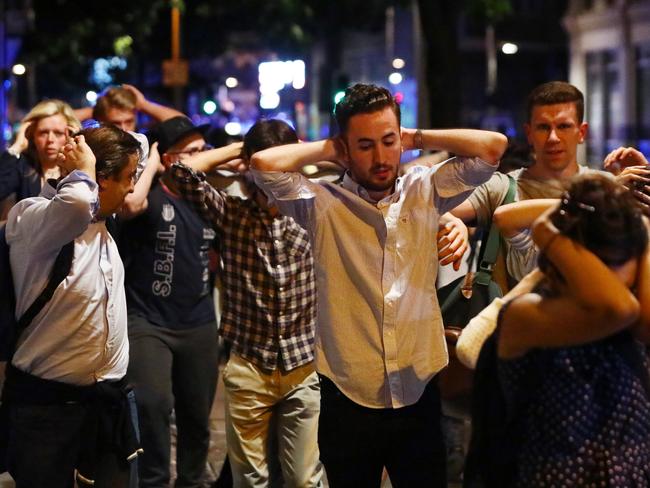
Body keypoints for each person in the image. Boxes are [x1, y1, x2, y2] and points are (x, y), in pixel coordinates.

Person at [249, 83, 508, 487]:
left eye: (389, 141)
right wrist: (329, 148)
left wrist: (417, 138)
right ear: (346, 149)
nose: (381, 156)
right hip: (348, 390)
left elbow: (492, 146)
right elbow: (263, 164)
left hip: (418, 385)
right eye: (365, 145)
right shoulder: (321, 203)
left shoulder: (426, 188)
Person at [466, 173, 650, 487]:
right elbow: (618, 308)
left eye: (622, 261)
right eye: (602, 264)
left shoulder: (634, 319)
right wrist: (545, 231)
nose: (613, 277)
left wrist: (628, 216)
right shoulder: (526, 316)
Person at [170, 119, 323, 488]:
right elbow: (179, 171)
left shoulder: (317, 209)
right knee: (250, 481)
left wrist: (298, 154)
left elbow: (355, 170)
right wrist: (242, 152)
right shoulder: (232, 213)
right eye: (264, 170)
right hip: (249, 365)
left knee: (304, 479)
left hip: (304, 365)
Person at [2, 125, 143, 487]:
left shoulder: (103, 226)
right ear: (101, 181)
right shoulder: (33, 216)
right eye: (128, 177)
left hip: (107, 406)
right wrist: (83, 169)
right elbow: (78, 202)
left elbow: (137, 143)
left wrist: (86, 154)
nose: (132, 187)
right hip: (47, 413)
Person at [117, 116, 220, 487]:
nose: (202, 158)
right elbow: (130, 205)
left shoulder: (210, 198)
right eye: (191, 152)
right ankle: (155, 479)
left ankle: (192, 481)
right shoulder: (150, 196)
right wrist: (154, 159)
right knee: (153, 404)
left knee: (196, 416)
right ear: (169, 160)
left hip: (198, 322)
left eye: (203, 150)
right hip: (149, 322)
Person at [0, 99, 81, 204]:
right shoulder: (24, 166)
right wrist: (17, 146)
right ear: (32, 135)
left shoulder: (76, 171)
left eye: (58, 133)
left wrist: (78, 147)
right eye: (43, 133)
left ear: (70, 134)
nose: (50, 140)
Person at [75, 84, 183, 132]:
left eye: (129, 122)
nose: (124, 129)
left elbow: (183, 123)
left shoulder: (145, 146)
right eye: (116, 123)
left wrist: (144, 105)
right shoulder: (91, 152)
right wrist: (95, 110)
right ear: (101, 121)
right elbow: (60, 120)